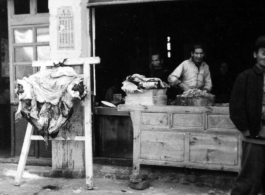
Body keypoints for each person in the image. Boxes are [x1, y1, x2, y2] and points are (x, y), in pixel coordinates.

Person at [229, 36, 265, 195]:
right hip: (254, 137)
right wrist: (246, 130)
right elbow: (236, 108)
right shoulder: (245, 77)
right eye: (264, 53)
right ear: (255, 55)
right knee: (249, 180)